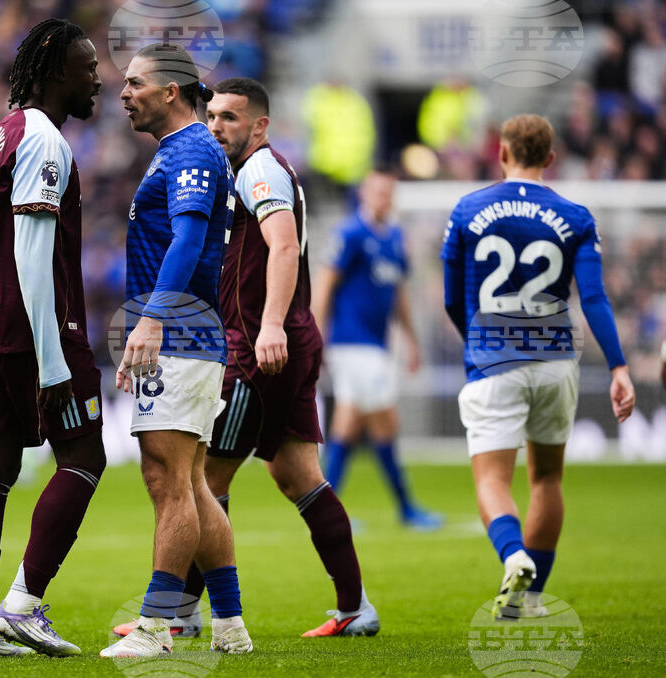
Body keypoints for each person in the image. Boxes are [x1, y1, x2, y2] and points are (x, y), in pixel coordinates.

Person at [114, 77, 378, 640]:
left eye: (231, 118)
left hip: (261, 345)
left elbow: (283, 245)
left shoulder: (258, 169)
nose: (216, 126)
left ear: (259, 125)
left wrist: (271, 325)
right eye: (212, 116)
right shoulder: (258, 170)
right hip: (286, 337)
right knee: (297, 474)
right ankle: (355, 606)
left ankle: (179, 617)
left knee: (198, 477)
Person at [0, 18, 105, 659]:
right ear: (54, 72)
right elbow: (33, 258)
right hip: (35, 328)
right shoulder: (42, 139)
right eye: (87, 66)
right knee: (84, 458)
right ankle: (25, 603)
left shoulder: (0, 132)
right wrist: (52, 365)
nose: (98, 78)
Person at [442, 114, 635, 617]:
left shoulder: (468, 209)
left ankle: (513, 556)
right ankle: (526, 600)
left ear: (502, 154)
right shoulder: (575, 215)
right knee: (547, 480)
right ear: (550, 158)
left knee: (492, 480)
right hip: (556, 362)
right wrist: (619, 367)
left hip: (493, 360)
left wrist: (476, 342)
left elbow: (450, 297)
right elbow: (593, 299)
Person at [100, 44, 252, 658]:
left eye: (134, 82)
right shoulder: (183, 150)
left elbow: (189, 237)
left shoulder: (190, 149)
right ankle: (231, 624)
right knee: (188, 482)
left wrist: (152, 319)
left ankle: (157, 627)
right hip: (192, 336)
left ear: (170, 91)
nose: (123, 93)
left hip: (182, 334)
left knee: (167, 480)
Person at [311, 167, 442, 530]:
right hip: (352, 343)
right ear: (365, 195)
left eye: (389, 193)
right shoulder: (350, 233)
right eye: (378, 192)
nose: (384, 199)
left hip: (378, 344)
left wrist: (411, 338)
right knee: (383, 421)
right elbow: (324, 285)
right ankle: (405, 508)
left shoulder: (396, 237)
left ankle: (328, 512)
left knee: (350, 424)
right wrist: (316, 337)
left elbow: (397, 291)